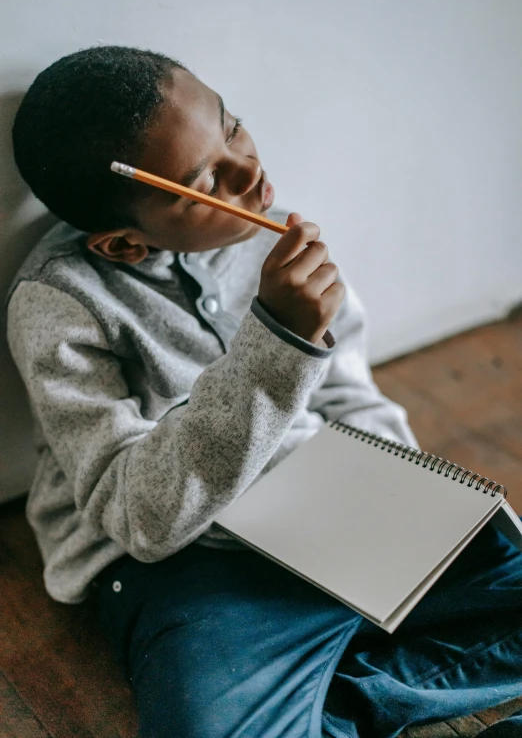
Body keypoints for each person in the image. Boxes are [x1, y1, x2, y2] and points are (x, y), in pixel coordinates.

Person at [7, 45, 522, 738]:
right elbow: (139, 519)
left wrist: (411, 513)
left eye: (233, 125)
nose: (250, 171)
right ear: (124, 246)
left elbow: (347, 393)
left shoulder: (267, 237)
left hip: (333, 519)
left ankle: (335, 705)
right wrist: (279, 340)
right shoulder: (61, 304)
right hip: (195, 568)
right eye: (205, 181)